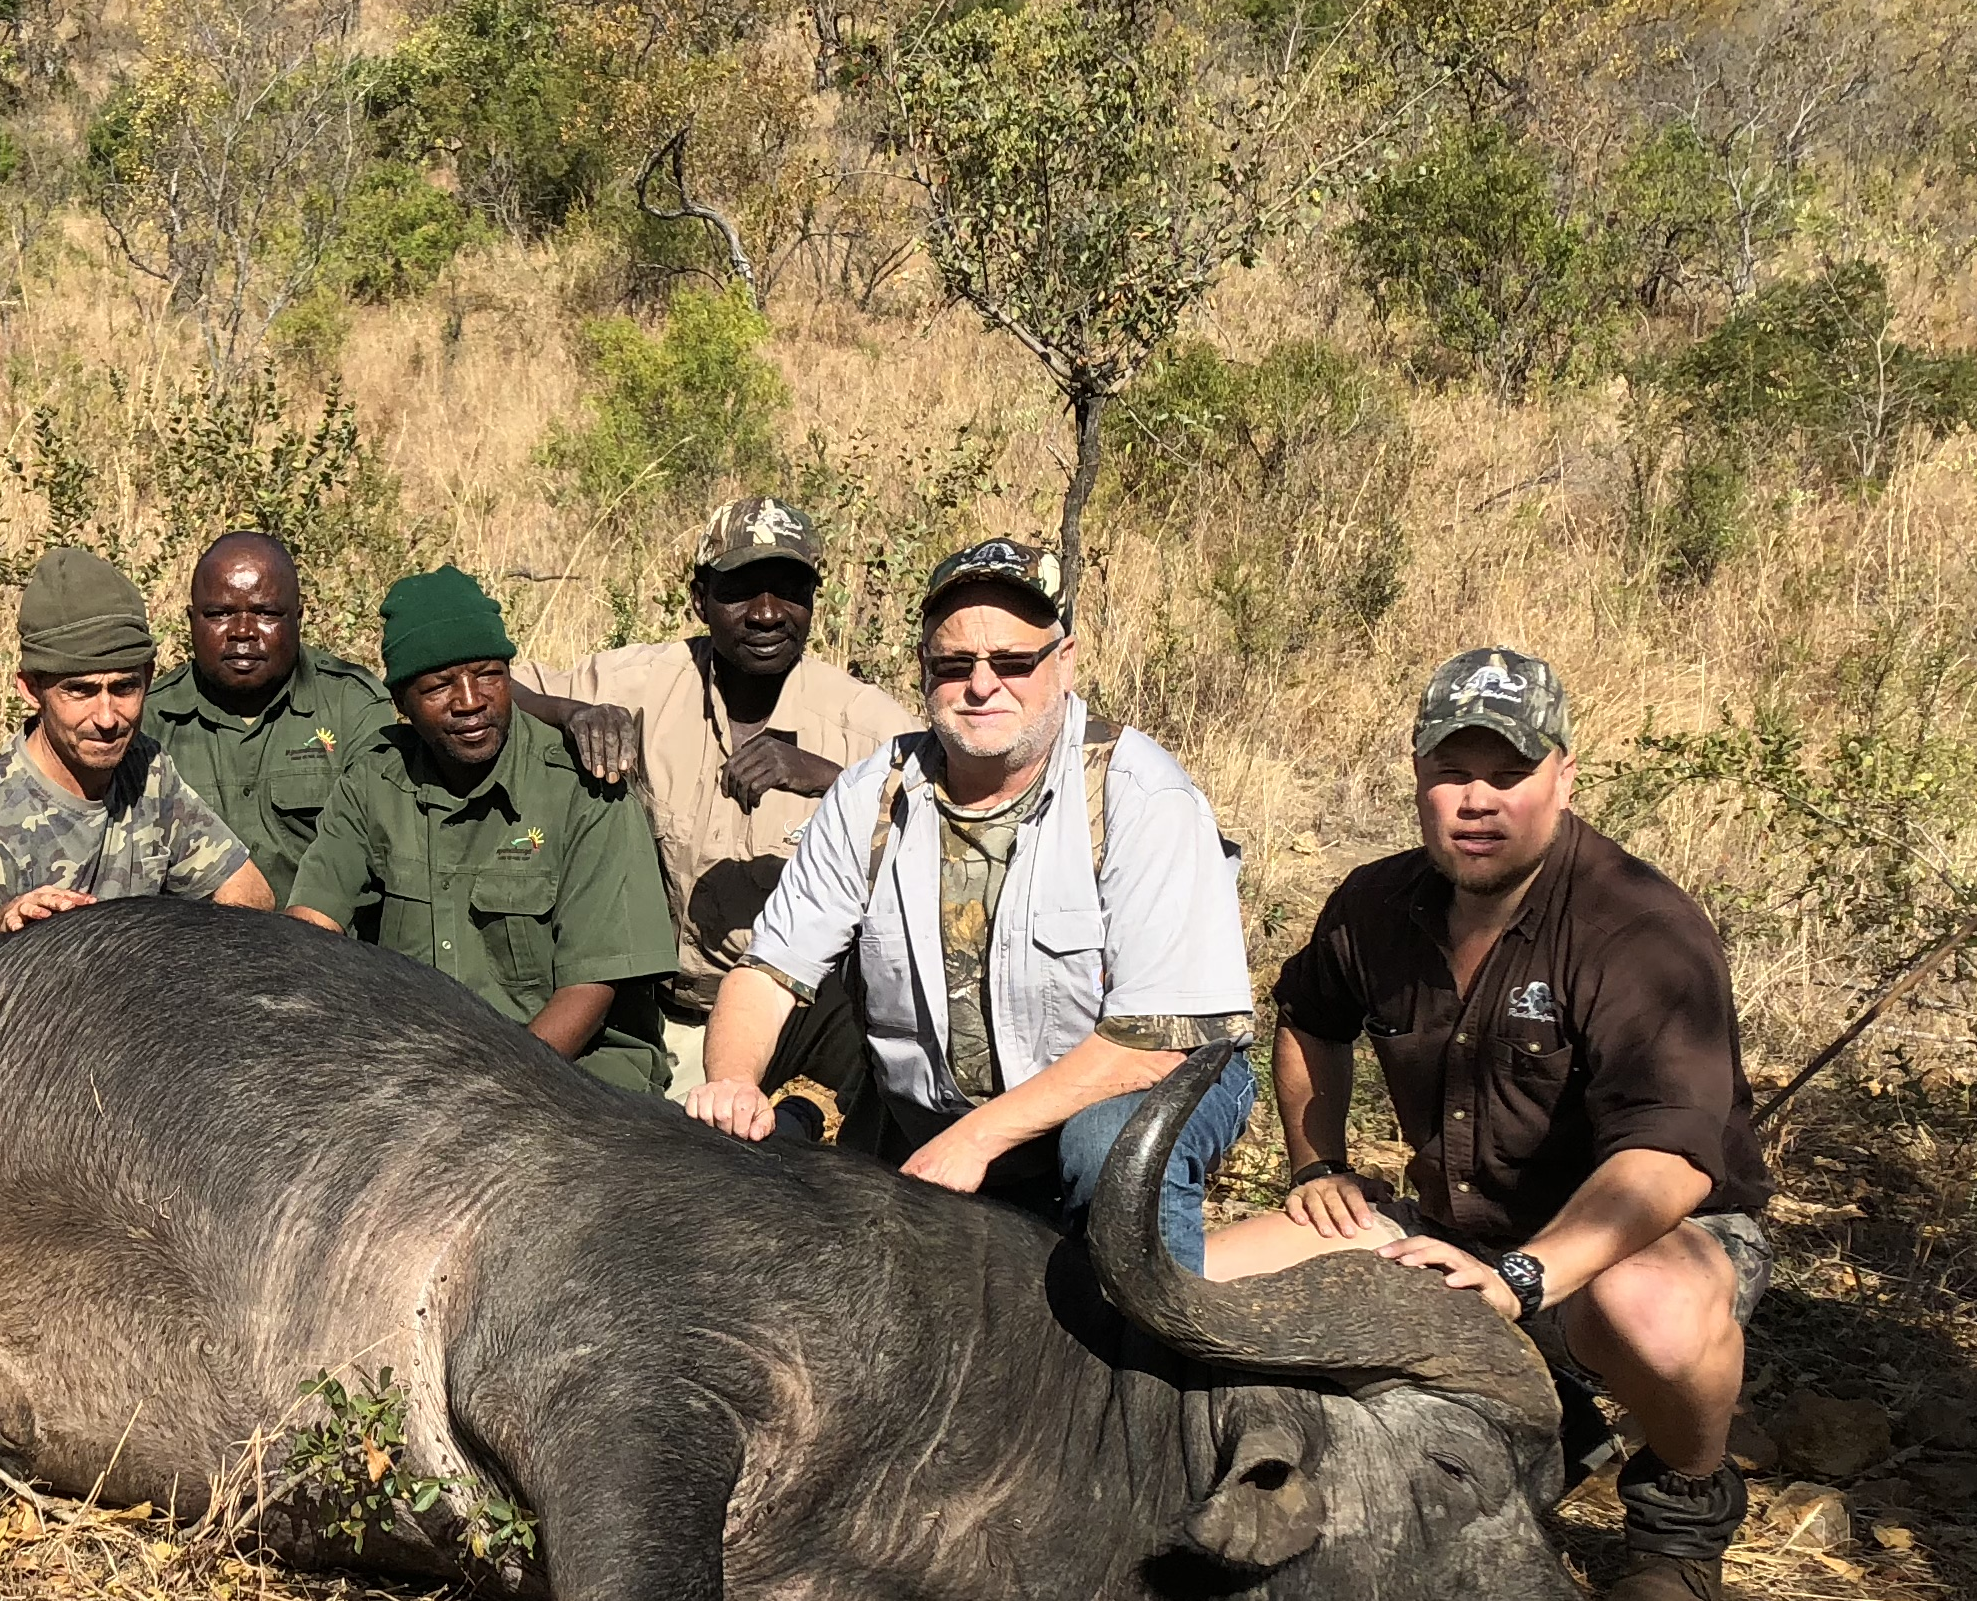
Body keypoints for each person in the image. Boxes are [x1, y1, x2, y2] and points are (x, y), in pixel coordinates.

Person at [1203, 647, 1774, 1601]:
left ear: (1563, 777)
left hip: (1633, 1240)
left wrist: (1528, 1273)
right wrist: (1317, 1162)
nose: (1477, 799)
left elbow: (1669, 1162)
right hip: (1453, 1234)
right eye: (1451, 772)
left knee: (1650, 1309)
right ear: (1417, 778)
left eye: (1507, 773)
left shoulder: (1639, 925)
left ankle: (1683, 1505)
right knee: (1194, 1274)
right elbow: (1307, 1017)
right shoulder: (1377, 904)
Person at [690, 537, 1256, 1265]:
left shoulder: (1141, 796)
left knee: (1111, 1147)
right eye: (954, 665)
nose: (982, 686)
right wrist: (733, 1082)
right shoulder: (871, 794)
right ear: (924, 670)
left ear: (1065, 660)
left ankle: (1157, 1359)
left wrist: (979, 1137)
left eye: (1014, 663)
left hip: (1127, 1096)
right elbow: (768, 973)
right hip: (939, 1122)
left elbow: (1157, 1045)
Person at [505, 493, 917, 1115]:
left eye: (789, 590)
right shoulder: (647, 681)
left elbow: (949, 833)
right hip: (653, 1016)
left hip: (800, 1031)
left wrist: (835, 783)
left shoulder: (864, 726)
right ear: (699, 598)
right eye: (741, 590)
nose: (767, 613)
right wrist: (573, 714)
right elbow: (490, 685)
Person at [285, 567, 676, 1092]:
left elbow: (592, 988)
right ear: (401, 704)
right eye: (439, 685)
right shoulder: (374, 778)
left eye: (488, 674)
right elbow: (311, 927)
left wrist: (481, 1092)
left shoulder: (585, 788)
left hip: (575, 1069)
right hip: (419, 1067)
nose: (470, 700)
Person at [0, 544, 275, 951]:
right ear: (31, 689)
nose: (107, 718)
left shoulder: (146, 768)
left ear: (148, 676)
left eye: (125, 687)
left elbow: (250, 893)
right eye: (81, 691)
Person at [140, 529, 394, 904]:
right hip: (196, 951)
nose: (242, 632)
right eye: (220, 614)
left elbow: (381, 850)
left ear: (298, 616)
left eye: (265, 613)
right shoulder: (151, 720)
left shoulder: (351, 706)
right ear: (192, 620)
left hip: (326, 950)